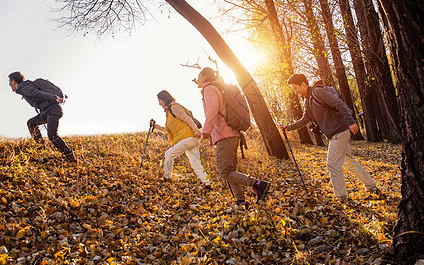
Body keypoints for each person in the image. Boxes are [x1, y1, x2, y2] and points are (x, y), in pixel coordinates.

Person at [281, 74, 376, 200]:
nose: (295, 91)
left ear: (303, 84)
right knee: (348, 162)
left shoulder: (318, 92)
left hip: (340, 131)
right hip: (334, 134)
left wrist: (351, 121)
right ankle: (371, 185)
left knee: (332, 164)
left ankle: (341, 197)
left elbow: (339, 104)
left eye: (295, 88)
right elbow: (305, 119)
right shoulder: (307, 100)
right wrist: (289, 127)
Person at [197, 67, 270, 208]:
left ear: (205, 76)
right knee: (230, 171)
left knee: (225, 172)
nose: (197, 79)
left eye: (199, 76)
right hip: (230, 134)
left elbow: (212, 110)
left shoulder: (209, 88)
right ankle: (241, 201)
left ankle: (258, 184)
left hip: (225, 134)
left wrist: (206, 131)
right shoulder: (218, 88)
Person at [8, 71, 76, 162]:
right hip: (47, 112)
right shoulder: (25, 87)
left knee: (52, 135)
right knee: (31, 123)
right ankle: (41, 147)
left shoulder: (25, 87)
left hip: (52, 110)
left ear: (13, 82)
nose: (9, 84)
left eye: (9, 81)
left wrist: (54, 98)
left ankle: (70, 156)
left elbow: (37, 93)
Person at [151, 90, 211, 187]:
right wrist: (156, 126)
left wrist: (196, 130)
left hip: (188, 138)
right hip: (191, 139)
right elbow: (168, 130)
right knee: (196, 164)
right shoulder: (169, 112)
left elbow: (187, 118)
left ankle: (167, 179)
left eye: (159, 101)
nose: (159, 103)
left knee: (168, 155)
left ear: (164, 99)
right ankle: (208, 184)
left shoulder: (174, 107)